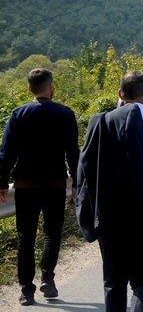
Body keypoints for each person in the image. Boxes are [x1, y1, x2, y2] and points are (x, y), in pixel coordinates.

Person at [77, 71, 143, 311]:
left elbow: (85, 170)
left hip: (110, 211)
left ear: (120, 94)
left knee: (114, 281)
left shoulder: (102, 123)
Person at [0, 68, 79, 306]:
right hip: (55, 184)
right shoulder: (65, 114)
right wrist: (76, 182)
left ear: (29, 89)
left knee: (26, 236)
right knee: (52, 233)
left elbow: (6, 153)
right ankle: (48, 278)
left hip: (25, 185)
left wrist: (2, 183)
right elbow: (73, 153)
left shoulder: (19, 114)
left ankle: (26, 290)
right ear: (51, 86)